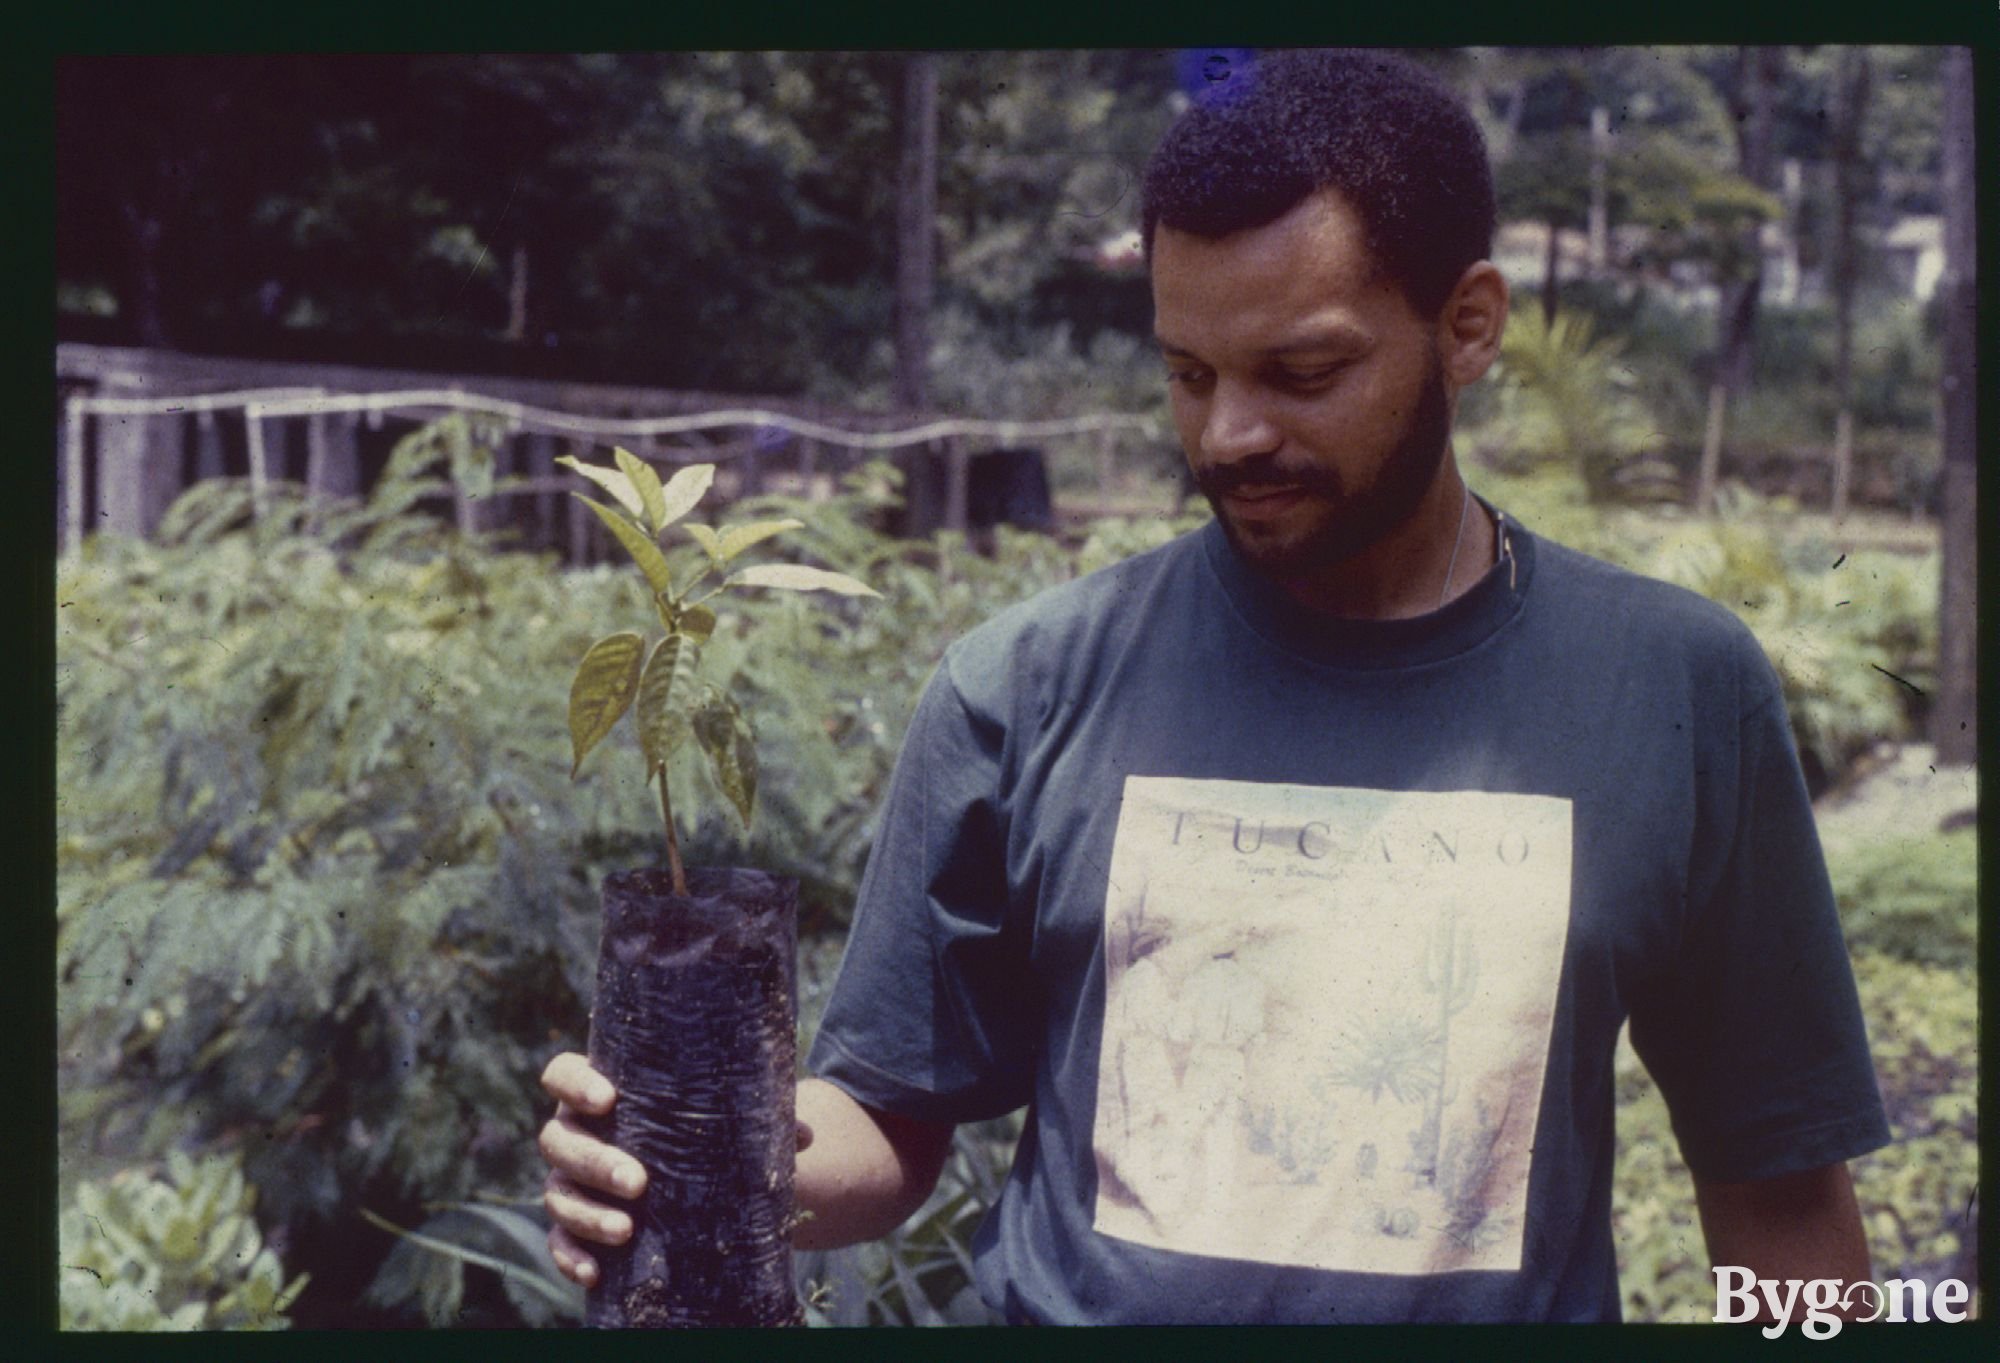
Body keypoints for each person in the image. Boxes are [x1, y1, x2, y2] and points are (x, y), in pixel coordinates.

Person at [539, 49, 1889, 1324]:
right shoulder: (1027, 683)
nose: (1232, 434)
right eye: (1189, 374)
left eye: (1304, 373)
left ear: (1468, 326)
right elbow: (889, 1116)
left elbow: (1778, 1191)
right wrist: (707, 1154)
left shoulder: (1672, 690)